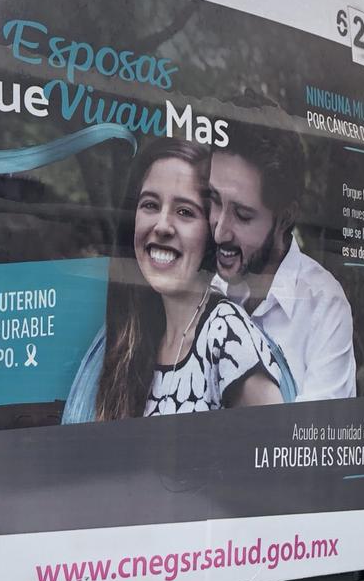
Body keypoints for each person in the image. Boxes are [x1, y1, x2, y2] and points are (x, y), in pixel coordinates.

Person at [62, 138, 294, 423]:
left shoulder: (225, 333)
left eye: (185, 212)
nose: (161, 226)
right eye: (150, 205)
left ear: (210, 233)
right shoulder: (133, 338)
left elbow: (277, 452)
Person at [207, 96, 356, 401]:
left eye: (242, 214)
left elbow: (317, 442)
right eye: (213, 199)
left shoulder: (324, 306)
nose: (220, 230)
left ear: (285, 217)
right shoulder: (202, 285)